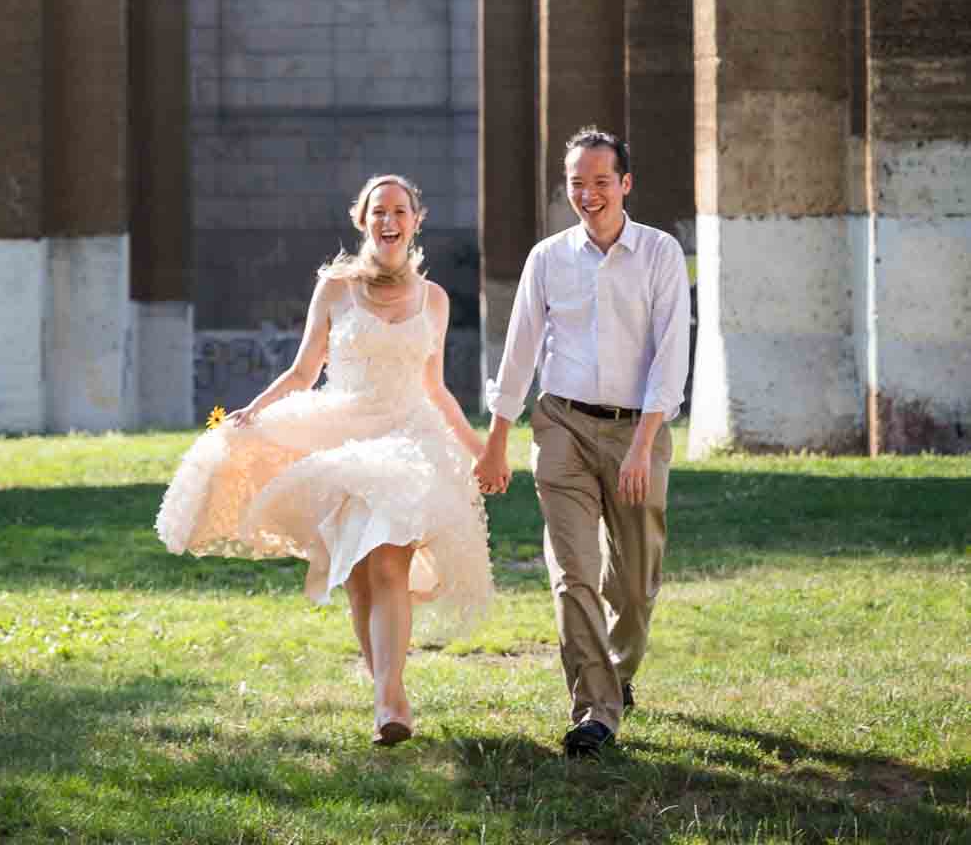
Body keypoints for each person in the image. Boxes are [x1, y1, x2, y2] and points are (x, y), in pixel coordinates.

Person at [156, 175, 493, 745]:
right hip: (342, 434)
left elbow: (434, 386)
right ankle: (384, 689)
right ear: (361, 220)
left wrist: (482, 449)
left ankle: (392, 699)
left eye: (400, 211)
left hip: (410, 439)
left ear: (416, 220)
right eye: (378, 212)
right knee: (361, 574)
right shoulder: (336, 289)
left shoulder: (434, 300)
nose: (389, 221)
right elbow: (304, 370)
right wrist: (255, 411)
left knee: (388, 560)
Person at [475, 126, 690, 758]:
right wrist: (497, 441)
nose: (589, 194)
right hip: (562, 425)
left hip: (638, 428)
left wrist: (643, 440)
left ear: (625, 184)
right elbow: (518, 354)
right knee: (574, 574)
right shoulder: (547, 259)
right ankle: (596, 710)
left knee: (634, 581)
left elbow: (672, 352)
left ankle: (617, 673)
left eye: (601, 181)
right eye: (577, 183)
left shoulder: (660, 254)